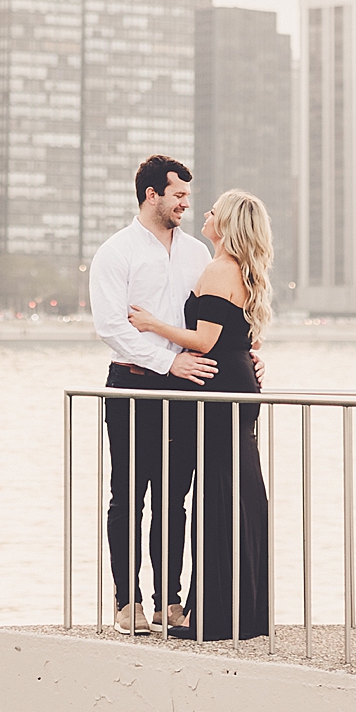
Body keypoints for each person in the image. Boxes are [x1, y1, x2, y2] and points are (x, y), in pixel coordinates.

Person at [129, 189, 272, 641]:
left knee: (217, 495)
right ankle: (238, 608)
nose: (204, 214)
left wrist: (153, 324)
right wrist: (249, 359)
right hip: (237, 385)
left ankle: (216, 612)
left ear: (226, 224)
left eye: (212, 211)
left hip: (219, 390)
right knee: (236, 492)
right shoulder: (246, 273)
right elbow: (243, 338)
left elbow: (206, 340)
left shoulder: (218, 269)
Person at [87, 155, 217, 634]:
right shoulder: (116, 252)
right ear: (152, 195)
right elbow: (110, 326)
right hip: (132, 385)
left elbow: (209, 321)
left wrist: (249, 354)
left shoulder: (197, 255)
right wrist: (167, 361)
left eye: (187, 194)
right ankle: (128, 604)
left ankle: (169, 602)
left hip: (183, 389)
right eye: (179, 194)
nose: (186, 202)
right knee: (128, 496)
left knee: (173, 498)